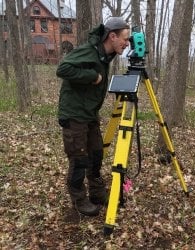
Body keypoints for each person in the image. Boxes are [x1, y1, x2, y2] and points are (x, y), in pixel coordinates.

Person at [56, 17, 130, 216]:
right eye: (125, 38)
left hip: (89, 114)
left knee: (96, 154)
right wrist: (92, 76)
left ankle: (97, 193)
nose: (127, 43)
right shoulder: (89, 51)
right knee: (79, 159)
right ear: (112, 36)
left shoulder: (104, 55)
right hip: (74, 114)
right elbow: (63, 68)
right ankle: (79, 201)